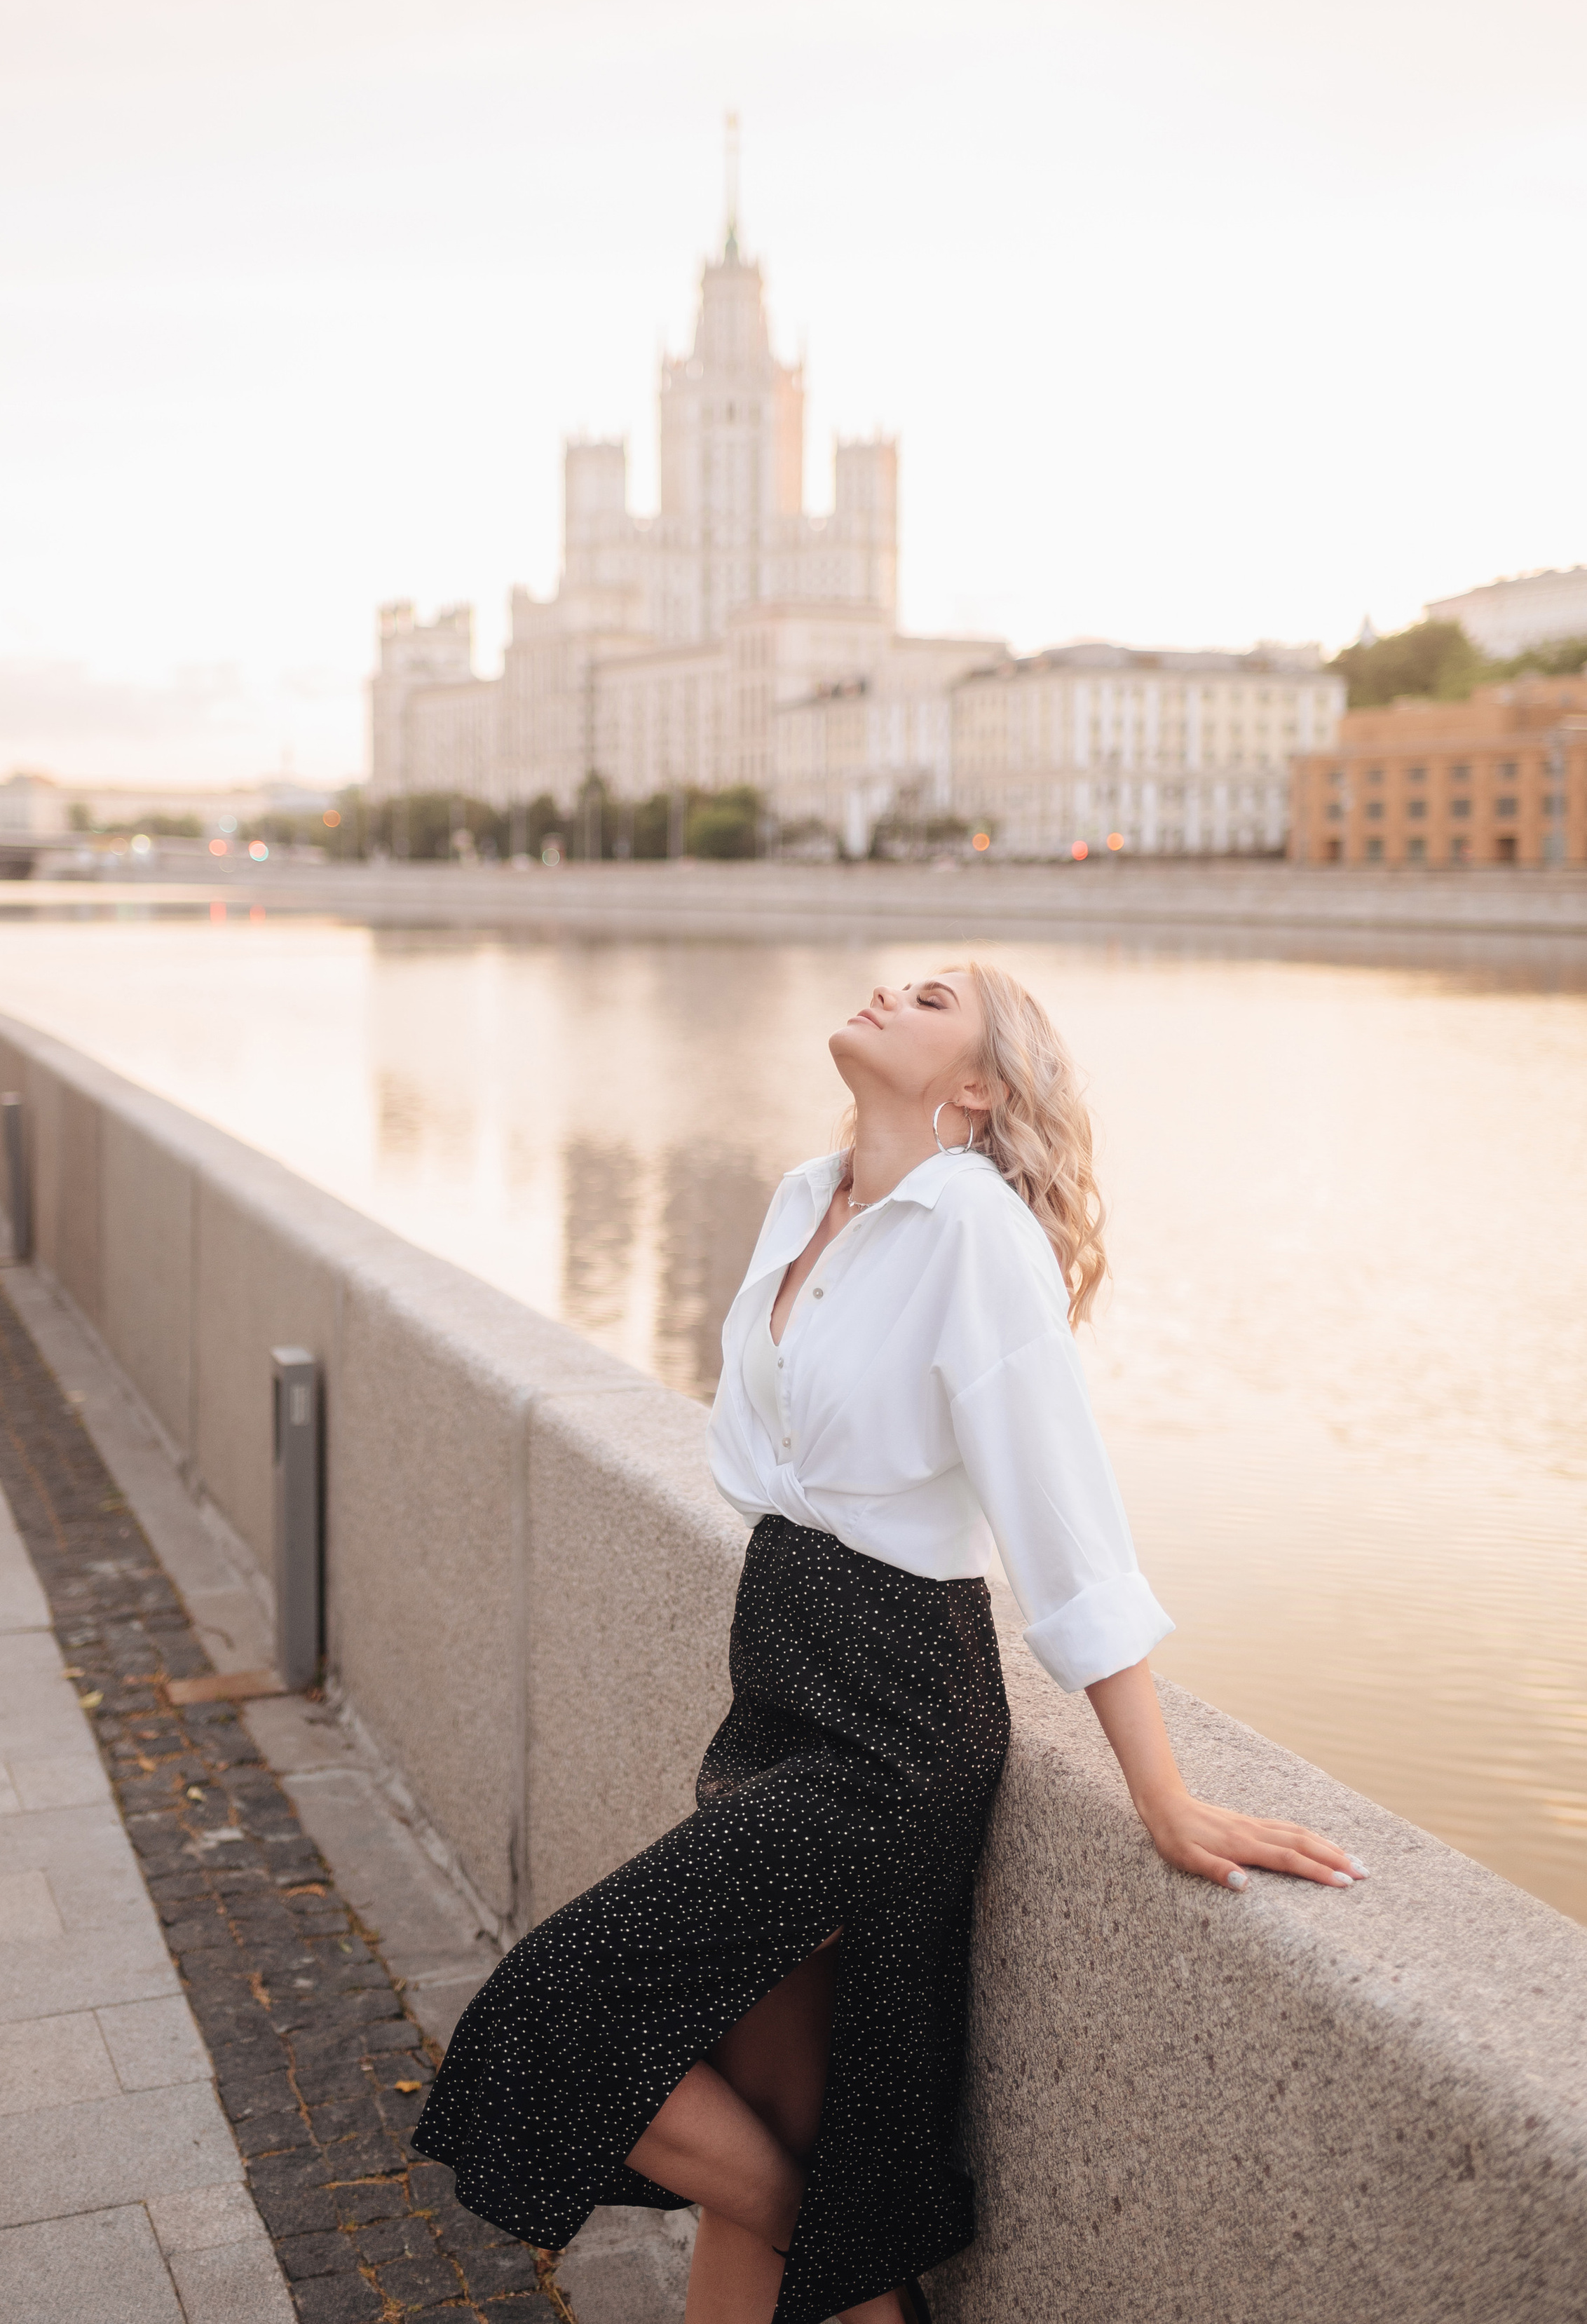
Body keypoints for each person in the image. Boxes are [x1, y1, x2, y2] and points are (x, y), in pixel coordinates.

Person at [416, 961, 1365, 2324]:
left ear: (974, 1087)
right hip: (779, 1676)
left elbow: (1064, 1524)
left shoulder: (973, 1232)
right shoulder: (807, 1200)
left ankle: (867, 2274)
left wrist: (1160, 1795)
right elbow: (765, 1461)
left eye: (927, 1000)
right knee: (771, 2103)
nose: (884, 992)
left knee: (552, 2020)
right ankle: (856, 2263)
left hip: (894, 1717)